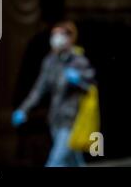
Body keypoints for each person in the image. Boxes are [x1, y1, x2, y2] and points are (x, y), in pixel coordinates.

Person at [12, 21, 95, 167]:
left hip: (73, 120)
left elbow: (90, 86)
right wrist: (24, 109)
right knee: (73, 161)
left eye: (60, 34)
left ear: (70, 38)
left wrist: (79, 81)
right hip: (56, 119)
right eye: (54, 34)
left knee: (55, 161)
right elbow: (39, 89)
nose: (56, 38)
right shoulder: (50, 62)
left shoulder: (78, 61)